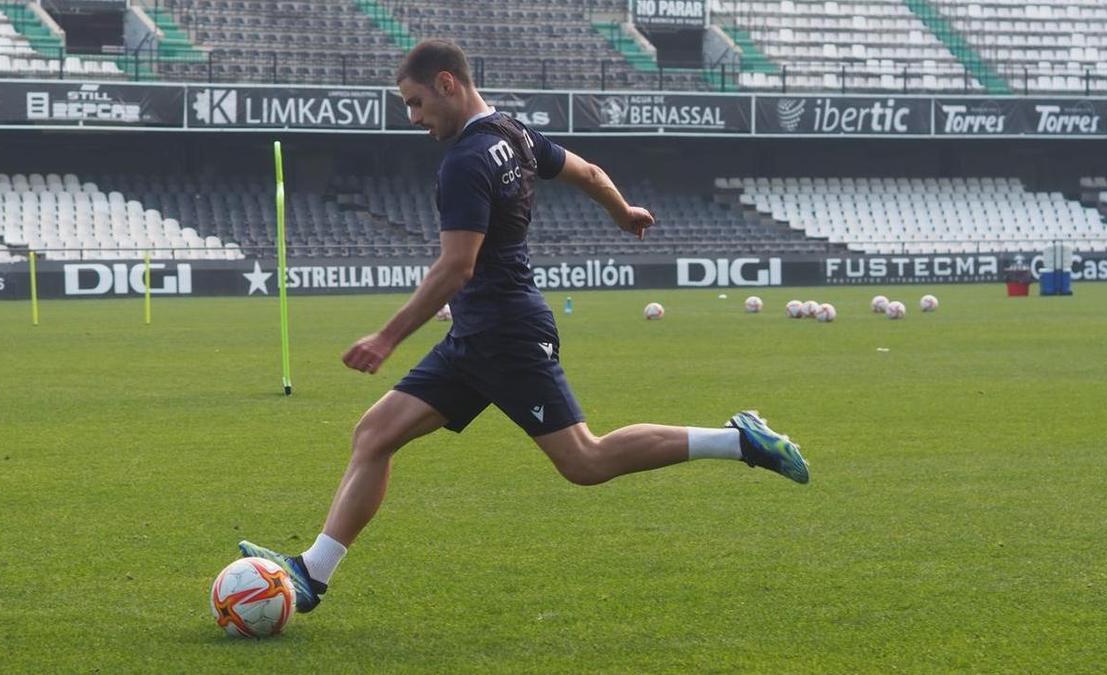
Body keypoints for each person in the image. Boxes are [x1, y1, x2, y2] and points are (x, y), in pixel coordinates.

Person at [240, 39, 809, 613]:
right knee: (375, 434)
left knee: (585, 461)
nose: (413, 118)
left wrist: (386, 337)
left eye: (415, 103)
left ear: (447, 83)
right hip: (478, 335)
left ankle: (739, 440)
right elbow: (587, 170)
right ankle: (312, 573)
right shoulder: (513, 134)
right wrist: (622, 211)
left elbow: (456, 266)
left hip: (503, 333)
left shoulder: (464, 162)